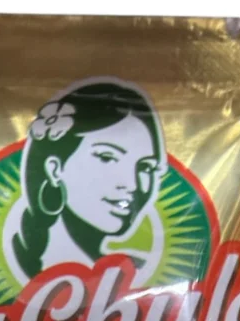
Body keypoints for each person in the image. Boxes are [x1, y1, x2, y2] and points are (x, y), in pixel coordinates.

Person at [10, 79, 166, 281]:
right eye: (107, 158)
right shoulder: (21, 260)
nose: (132, 185)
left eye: (145, 167)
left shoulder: (133, 271)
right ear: (55, 169)